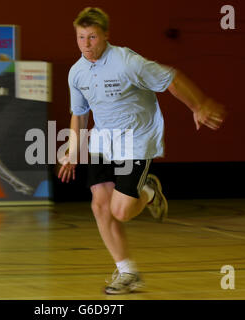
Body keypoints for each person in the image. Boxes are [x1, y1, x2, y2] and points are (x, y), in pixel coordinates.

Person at [58, 7, 226, 295]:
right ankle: (128, 273)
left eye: (92, 37)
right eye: (80, 37)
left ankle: (148, 191)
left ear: (106, 35)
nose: (85, 44)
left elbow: (171, 78)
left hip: (135, 139)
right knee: (100, 206)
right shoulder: (77, 72)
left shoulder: (127, 62)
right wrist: (74, 149)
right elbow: (79, 113)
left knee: (120, 212)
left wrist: (198, 105)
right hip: (103, 141)